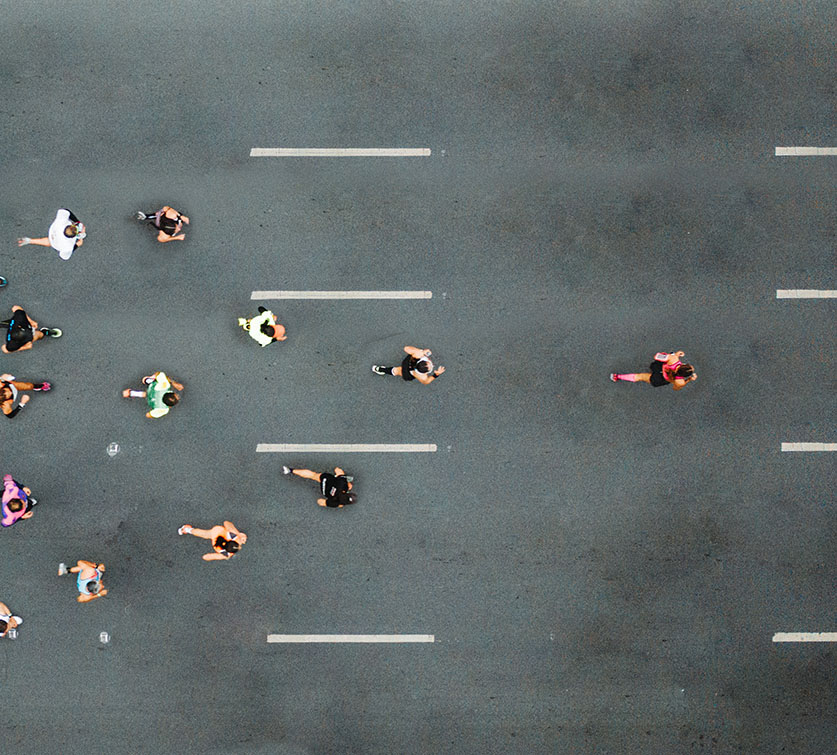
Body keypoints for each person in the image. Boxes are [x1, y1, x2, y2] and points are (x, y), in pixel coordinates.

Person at [17, 209, 86, 260]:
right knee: (50, 242)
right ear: (74, 236)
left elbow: (65, 210)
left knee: (51, 240)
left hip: (53, 231)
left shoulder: (61, 221)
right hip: (56, 243)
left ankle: (29, 240)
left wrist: (77, 221)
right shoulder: (68, 246)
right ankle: (30, 241)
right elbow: (64, 256)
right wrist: (77, 244)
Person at [611, 350, 698, 390]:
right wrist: (689, 380)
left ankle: (617, 376)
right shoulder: (680, 382)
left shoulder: (674, 359)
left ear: (683, 365)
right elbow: (675, 388)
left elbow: (657, 356)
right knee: (640, 377)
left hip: (659, 367)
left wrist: (675, 354)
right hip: (660, 379)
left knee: (642, 374)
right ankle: (617, 377)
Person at [282, 466, 357, 508]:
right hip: (325, 491)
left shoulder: (343, 484)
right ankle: (289, 471)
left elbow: (337, 469)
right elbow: (320, 502)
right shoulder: (337, 503)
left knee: (313, 475)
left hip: (327, 480)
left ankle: (290, 470)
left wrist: (340, 474)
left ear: (346, 493)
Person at [372, 346, 446, 384]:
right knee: (397, 371)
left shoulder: (418, 355)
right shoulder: (422, 377)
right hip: (408, 374)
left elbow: (406, 348)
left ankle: (379, 369)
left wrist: (421, 351)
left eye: (430, 364)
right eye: (431, 366)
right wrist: (436, 374)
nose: (432, 364)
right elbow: (426, 381)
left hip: (408, 363)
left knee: (397, 370)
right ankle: (380, 369)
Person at [177, 521, 247, 561]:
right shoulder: (225, 555)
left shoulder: (235, 536)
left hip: (217, 531)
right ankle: (187, 530)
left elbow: (226, 523)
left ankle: (187, 529)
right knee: (204, 534)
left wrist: (238, 534)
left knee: (203, 533)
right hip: (215, 540)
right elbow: (206, 557)